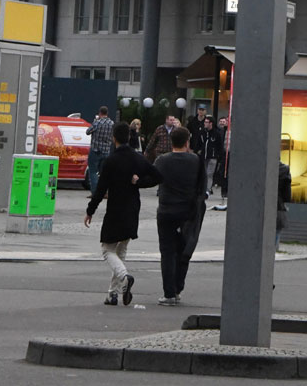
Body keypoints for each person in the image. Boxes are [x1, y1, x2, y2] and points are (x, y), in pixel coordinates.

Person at [84, 121, 149, 306]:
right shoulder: (137, 158)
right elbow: (156, 176)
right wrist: (139, 182)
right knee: (121, 251)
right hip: (133, 210)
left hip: (115, 210)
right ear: (129, 137)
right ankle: (112, 294)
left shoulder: (111, 161)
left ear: (114, 138)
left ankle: (124, 277)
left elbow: (100, 189)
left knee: (106, 249)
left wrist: (90, 211)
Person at [145, 125, 207, 305]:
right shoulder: (195, 160)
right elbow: (202, 186)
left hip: (166, 211)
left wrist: (135, 180)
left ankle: (169, 293)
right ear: (187, 142)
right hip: (187, 212)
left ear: (171, 142)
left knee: (167, 252)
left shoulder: (162, 160)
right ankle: (178, 288)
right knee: (184, 250)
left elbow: (150, 179)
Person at [85, 106, 114, 196]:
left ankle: (95, 193)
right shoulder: (112, 123)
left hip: (95, 150)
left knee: (93, 171)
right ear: (107, 113)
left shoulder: (97, 122)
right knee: (104, 173)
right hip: (106, 151)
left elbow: (88, 131)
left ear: (100, 113)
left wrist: (95, 121)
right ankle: (105, 192)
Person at [196, 115, 222, 195]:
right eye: (205, 122)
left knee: (209, 173)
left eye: (206, 122)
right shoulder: (202, 132)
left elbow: (219, 146)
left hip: (213, 157)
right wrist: (198, 151)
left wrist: (218, 156)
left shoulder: (216, 133)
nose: (205, 124)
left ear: (211, 123)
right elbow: (199, 143)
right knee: (203, 173)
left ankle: (208, 189)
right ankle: (202, 188)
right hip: (203, 156)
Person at [276, 159, 292, 251]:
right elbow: (287, 192)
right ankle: (273, 249)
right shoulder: (284, 169)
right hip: (278, 204)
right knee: (277, 229)